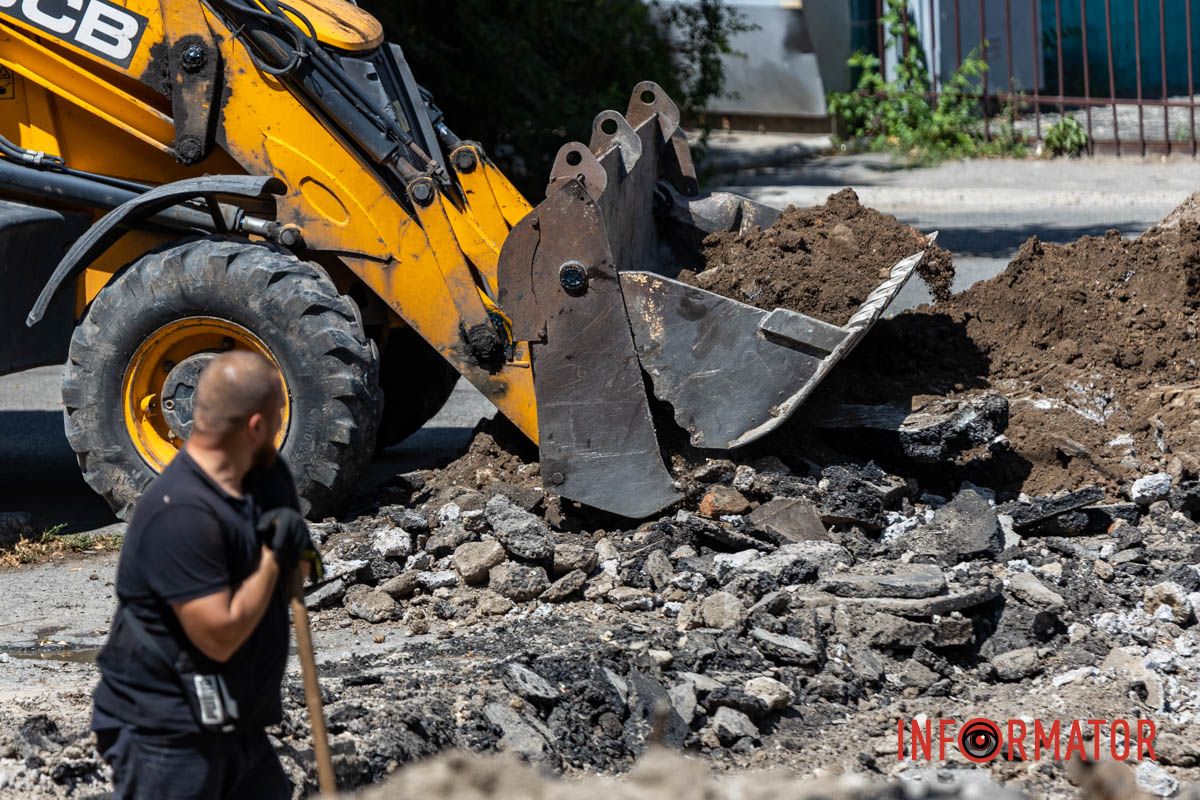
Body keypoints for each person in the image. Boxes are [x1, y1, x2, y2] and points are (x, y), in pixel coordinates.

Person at [92, 350, 319, 799]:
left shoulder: (266, 475)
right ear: (256, 426)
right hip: (166, 734)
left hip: (239, 724)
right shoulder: (179, 513)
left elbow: (298, 566)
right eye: (276, 418)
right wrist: (275, 557)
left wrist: (301, 552)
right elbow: (219, 634)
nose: (279, 429)